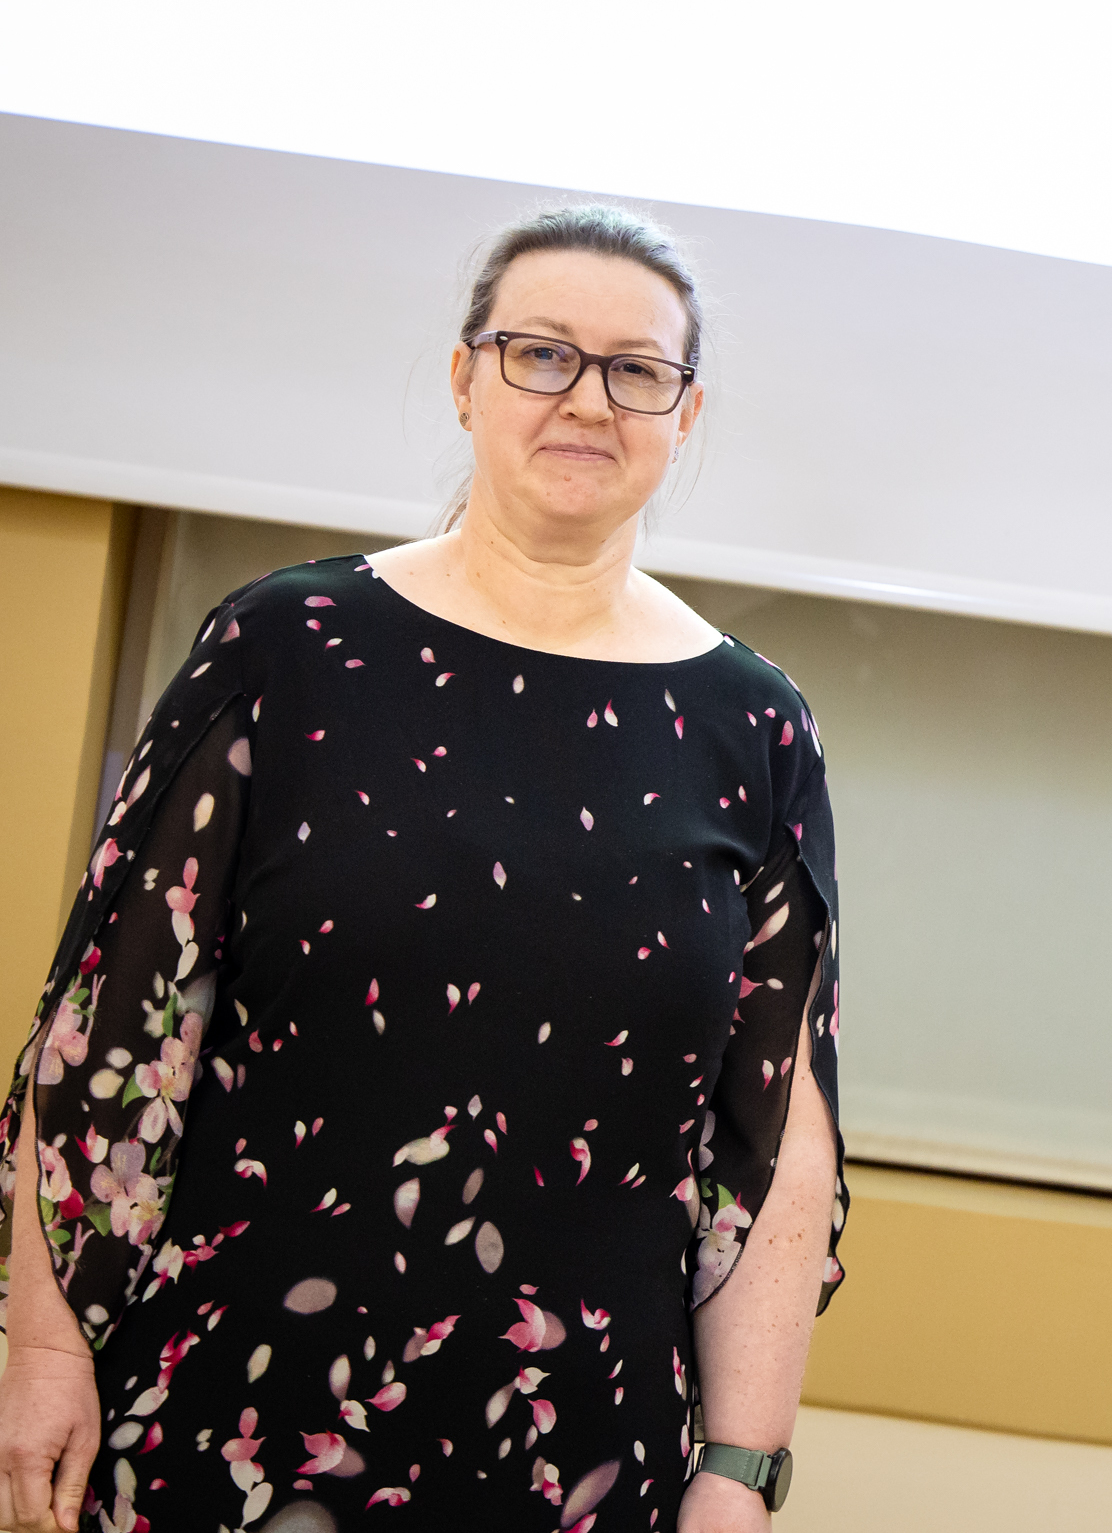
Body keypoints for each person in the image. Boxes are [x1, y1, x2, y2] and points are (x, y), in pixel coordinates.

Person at [0, 205, 846, 1532]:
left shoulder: (755, 726)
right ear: (464, 378)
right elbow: (117, 1025)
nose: (589, 399)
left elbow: (778, 1133)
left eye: (637, 370)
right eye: (541, 353)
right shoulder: (285, 647)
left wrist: (740, 1470)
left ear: (685, 416)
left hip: (576, 1441)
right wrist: (47, 1351)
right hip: (237, 1403)